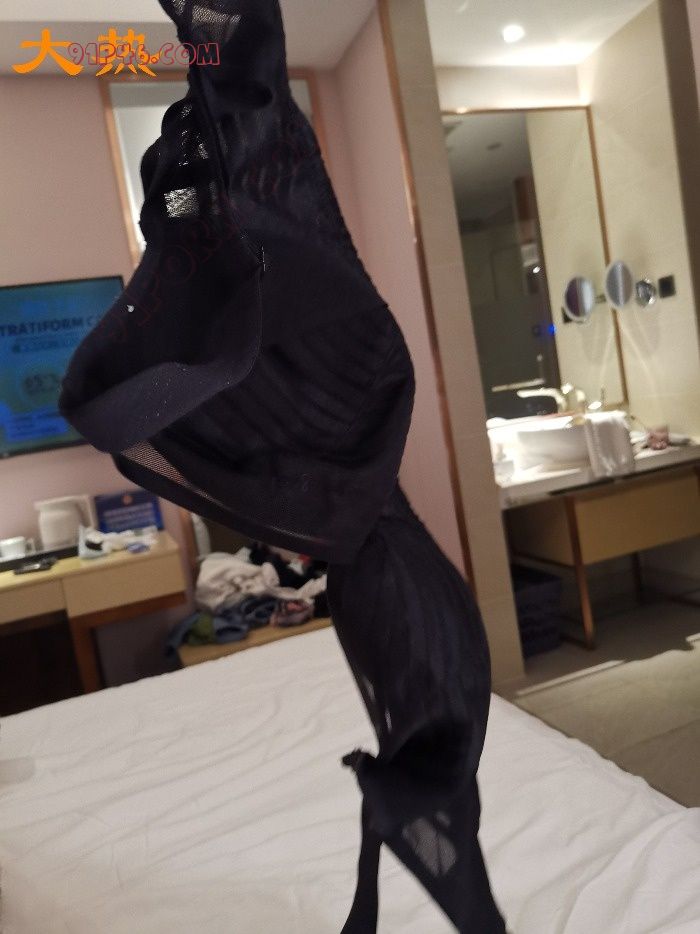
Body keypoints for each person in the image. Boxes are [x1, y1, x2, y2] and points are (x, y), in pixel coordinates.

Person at [59, 2, 508, 930]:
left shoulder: (255, 186)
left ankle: (423, 791)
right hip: (335, 429)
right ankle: (423, 792)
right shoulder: (248, 180)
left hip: (332, 414)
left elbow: (239, 82)